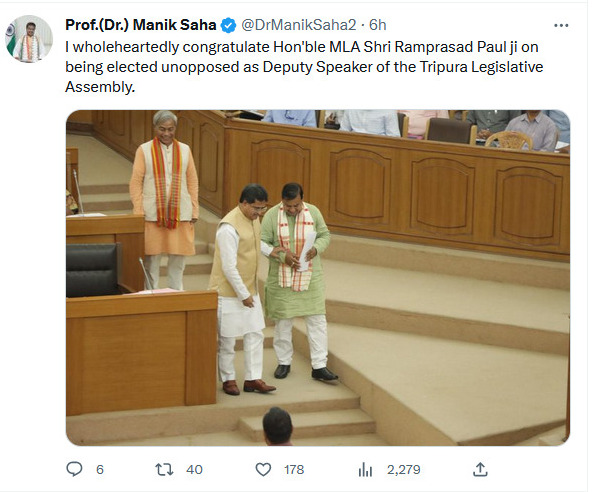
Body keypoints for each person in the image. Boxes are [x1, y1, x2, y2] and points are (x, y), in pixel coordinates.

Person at [261, 183, 338, 382]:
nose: (293, 210)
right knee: (283, 321)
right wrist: (283, 257)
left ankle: (319, 366)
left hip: (310, 276)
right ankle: (284, 362)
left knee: (317, 320)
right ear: (282, 201)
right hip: (282, 276)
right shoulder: (271, 215)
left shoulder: (313, 212)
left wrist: (316, 248)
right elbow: (262, 242)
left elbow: (325, 235)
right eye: (288, 206)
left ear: (302, 200)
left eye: (296, 205)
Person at [208, 184, 278, 396]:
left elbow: (253, 242)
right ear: (244, 203)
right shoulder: (228, 227)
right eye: (256, 208)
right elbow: (229, 267)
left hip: (249, 289)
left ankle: (253, 378)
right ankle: (228, 379)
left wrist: (270, 250)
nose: (260, 213)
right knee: (228, 339)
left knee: (255, 334)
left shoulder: (253, 218)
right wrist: (244, 295)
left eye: (263, 208)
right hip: (228, 293)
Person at [129, 110, 199, 290]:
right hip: (152, 214)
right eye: (162, 129)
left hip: (180, 213)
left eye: (170, 129)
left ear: (175, 128)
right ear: (155, 128)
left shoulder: (185, 149)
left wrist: (194, 209)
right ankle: (151, 297)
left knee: (178, 261)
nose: (166, 133)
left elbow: (192, 180)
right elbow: (136, 182)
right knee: (152, 262)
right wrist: (138, 211)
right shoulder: (144, 150)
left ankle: (176, 296)